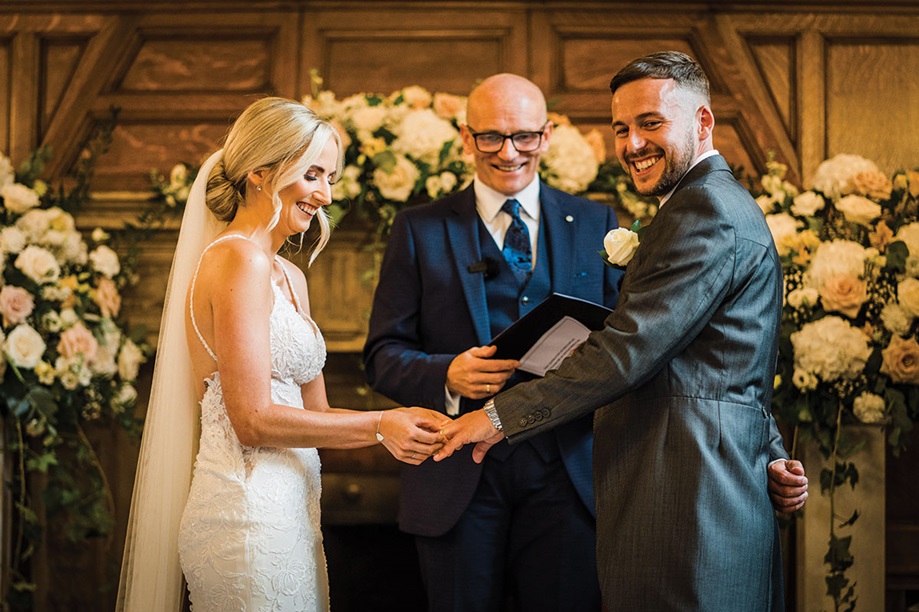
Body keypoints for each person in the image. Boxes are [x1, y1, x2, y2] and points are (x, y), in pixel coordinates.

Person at [435, 52, 809, 611]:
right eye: (621, 128)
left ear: (703, 122)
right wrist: (770, 449)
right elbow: (726, 360)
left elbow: (627, 351)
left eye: (651, 123)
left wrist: (496, 417)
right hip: (697, 482)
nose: (633, 144)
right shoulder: (703, 205)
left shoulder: (705, 212)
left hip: (690, 494)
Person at [117, 97, 450, 612]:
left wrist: (403, 425)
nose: (325, 195)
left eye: (330, 179)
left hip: (293, 508)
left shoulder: (290, 276)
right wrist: (381, 424)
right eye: (312, 174)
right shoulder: (237, 260)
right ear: (260, 171)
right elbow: (252, 420)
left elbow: (317, 413)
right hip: (244, 513)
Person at [363, 74, 622, 611]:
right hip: (455, 475)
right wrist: (446, 374)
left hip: (566, 474)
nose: (509, 152)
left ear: (546, 136)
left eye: (524, 136)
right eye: (491, 137)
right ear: (466, 137)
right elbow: (381, 355)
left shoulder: (596, 222)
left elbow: (623, 343)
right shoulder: (418, 229)